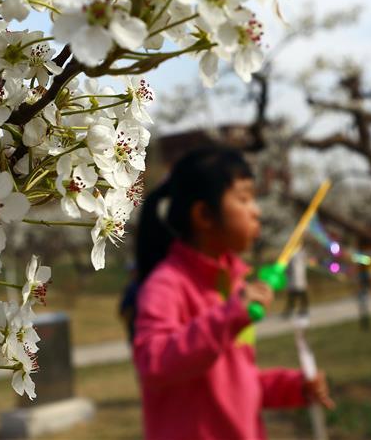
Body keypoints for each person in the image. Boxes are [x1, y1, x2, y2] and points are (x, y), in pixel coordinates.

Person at [131, 146, 334, 440]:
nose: (257, 210)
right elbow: (152, 363)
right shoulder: (166, 285)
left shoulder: (232, 286)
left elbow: (238, 383)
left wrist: (293, 387)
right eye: (244, 198)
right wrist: (228, 316)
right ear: (204, 214)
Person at [283, 248, 309, 318]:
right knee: (293, 299)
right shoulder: (293, 258)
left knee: (301, 298)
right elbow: (288, 272)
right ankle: (290, 312)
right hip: (294, 283)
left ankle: (302, 310)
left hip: (299, 282)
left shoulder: (300, 257)